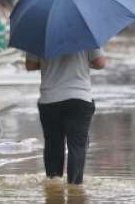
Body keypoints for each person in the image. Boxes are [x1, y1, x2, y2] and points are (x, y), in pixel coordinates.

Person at [25, 49, 106, 185]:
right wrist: (87, 63)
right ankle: (74, 188)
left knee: (53, 145)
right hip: (79, 98)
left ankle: (53, 186)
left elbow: (30, 65)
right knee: (77, 146)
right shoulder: (86, 32)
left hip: (50, 100)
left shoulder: (41, 33)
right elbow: (100, 63)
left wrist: (46, 64)